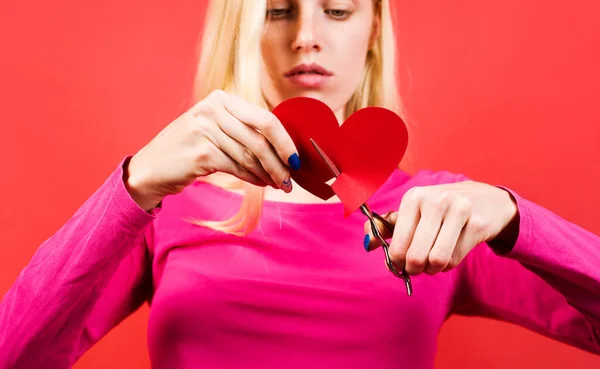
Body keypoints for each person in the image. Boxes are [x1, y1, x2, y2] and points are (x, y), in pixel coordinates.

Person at [1, 0, 599, 368]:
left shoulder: (440, 218)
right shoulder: (163, 208)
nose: (306, 35)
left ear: (372, 33)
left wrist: (513, 214)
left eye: (337, 10)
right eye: (278, 10)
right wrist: (133, 186)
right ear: (241, 27)